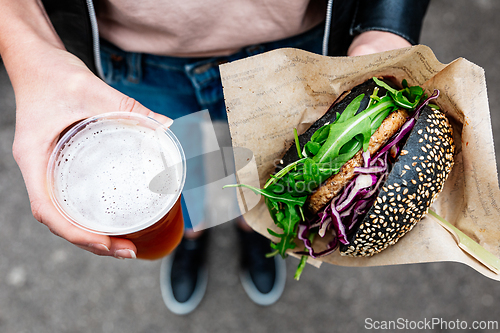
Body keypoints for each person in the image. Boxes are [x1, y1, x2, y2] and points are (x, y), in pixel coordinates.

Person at [0, 0, 430, 315]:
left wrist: (384, 27)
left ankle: (254, 230)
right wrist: (28, 52)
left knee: (280, 175)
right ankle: (193, 235)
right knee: (184, 173)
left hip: (298, 48)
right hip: (137, 60)